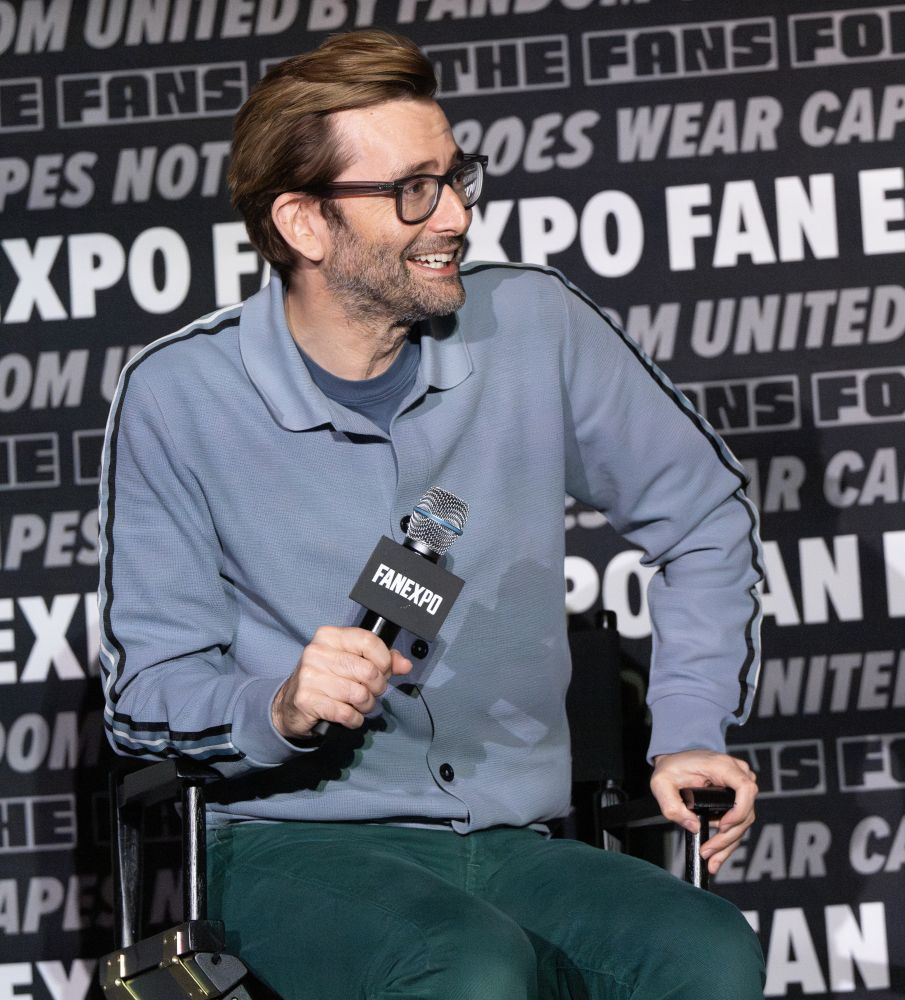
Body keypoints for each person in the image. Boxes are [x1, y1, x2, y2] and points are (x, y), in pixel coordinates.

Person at [98, 29, 766, 999]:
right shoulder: (180, 396)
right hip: (290, 847)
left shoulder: (533, 326)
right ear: (305, 223)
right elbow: (144, 697)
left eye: (456, 177)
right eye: (414, 189)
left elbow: (705, 515)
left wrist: (692, 727)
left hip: (511, 839)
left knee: (704, 947)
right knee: (470, 965)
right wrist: (278, 705)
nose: (455, 213)